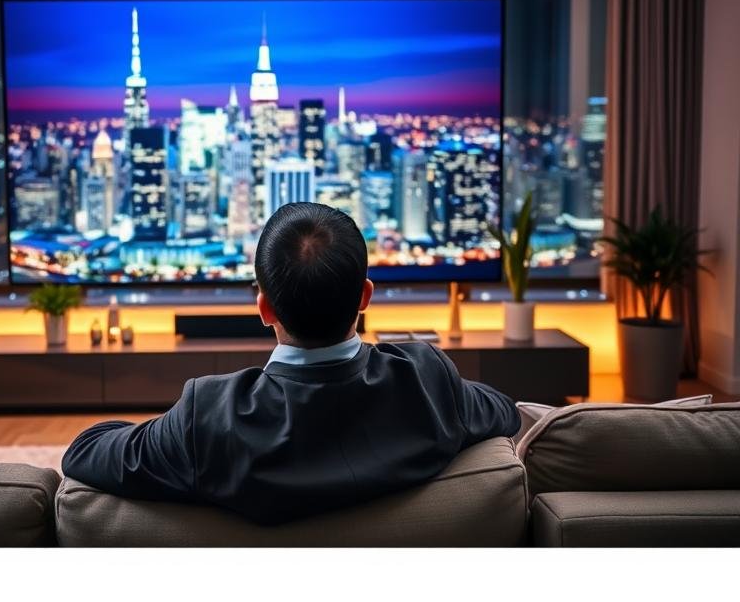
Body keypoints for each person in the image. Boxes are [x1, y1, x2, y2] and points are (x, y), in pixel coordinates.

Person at [62, 202, 520, 525]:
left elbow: (84, 452)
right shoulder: (426, 378)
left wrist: (172, 430)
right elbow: (507, 411)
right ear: (365, 297)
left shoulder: (209, 416)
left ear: (263, 308)